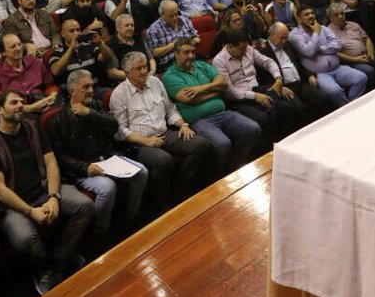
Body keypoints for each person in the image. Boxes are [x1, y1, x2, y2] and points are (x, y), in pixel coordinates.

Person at [0, 90, 93, 294]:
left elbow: (51, 163)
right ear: (0, 110)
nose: (20, 105)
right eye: (14, 102)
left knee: (85, 206)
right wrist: (30, 211)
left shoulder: (33, 127)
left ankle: (60, 260)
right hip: (14, 204)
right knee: (24, 238)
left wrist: (53, 197)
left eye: (22, 101)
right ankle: (43, 267)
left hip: (44, 190)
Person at [49, 70, 148, 239]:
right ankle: (101, 232)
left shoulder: (96, 106)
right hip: (82, 168)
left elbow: (114, 126)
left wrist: (89, 113)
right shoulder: (58, 120)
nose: (90, 90)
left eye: (92, 86)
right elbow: (60, 157)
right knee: (107, 187)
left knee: (142, 172)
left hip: (107, 158)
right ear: (72, 90)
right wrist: (85, 167)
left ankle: (130, 218)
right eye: (85, 87)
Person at [109, 51, 214, 209]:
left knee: (201, 145)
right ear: (127, 72)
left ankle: (181, 189)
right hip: (139, 143)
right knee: (163, 160)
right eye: (138, 68)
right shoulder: (119, 94)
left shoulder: (155, 82)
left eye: (145, 66)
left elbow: (170, 109)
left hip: (165, 133)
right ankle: (160, 205)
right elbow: (120, 131)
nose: (144, 71)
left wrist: (182, 125)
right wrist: (147, 141)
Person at [162, 38, 261, 174]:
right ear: (176, 54)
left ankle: (233, 168)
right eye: (186, 52)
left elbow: (223, 82)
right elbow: (190, 99)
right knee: (222, 144)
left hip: (223, 113)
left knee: (253, 129)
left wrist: (202, 88)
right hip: (199, 121)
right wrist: (216, 91)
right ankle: (215, 177)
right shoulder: (170, 75)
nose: (191, 56)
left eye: (193, 52)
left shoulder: (201, 65)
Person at [212, 29, 307, 147]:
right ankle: (270, 149)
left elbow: (268, 62)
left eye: (246, 47)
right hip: (239, 99)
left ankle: (288, 144)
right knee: (263, 119)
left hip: (258, 90)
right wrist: (254, 96)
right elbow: (229, 91)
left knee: (286, 108)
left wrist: (278, 78)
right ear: (230, 46)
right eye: (241, 48)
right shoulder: (219, 61)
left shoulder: (248, 49)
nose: (245, 51)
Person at [288, 5, 369, 105]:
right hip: (320, 73)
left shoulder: (323, 28)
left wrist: (321, 49)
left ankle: (350, 105)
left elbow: (337, 45)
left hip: (337, 68)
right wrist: (316, 33)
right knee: (335, 91)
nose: (311, 16)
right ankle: (349, 108)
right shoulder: (295, 35)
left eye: (312, 13)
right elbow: (309, 51)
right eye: (306, 14)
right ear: (299, 18)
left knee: (361, 78)